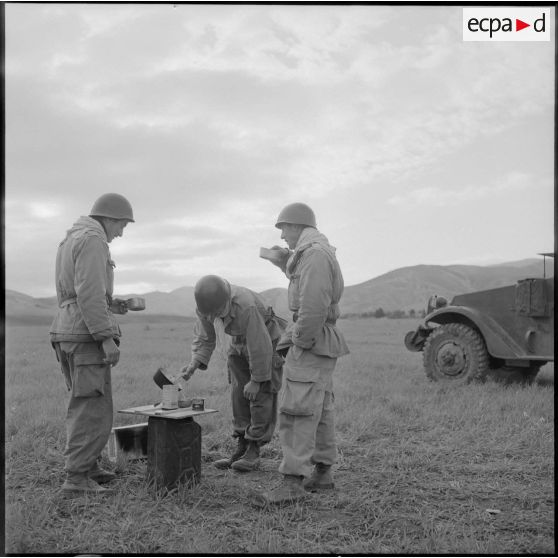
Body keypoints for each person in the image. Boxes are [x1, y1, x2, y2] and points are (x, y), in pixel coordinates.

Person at [257, 202, 349, 505]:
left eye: (283, 228)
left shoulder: (314, 257)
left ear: (296, 226)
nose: (282, 235)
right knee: (320, 407)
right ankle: (322, 473)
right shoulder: (313, 255)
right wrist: (284, 263)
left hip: (312, 339)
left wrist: (300, 341)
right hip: (321, 339)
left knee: (296, 408)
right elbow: (308, 290)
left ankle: (291, 483)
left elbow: (312, 307)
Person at [50, 193, 134, 496]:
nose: (121, 232)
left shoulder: (71, 238)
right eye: (122, 225)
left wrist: (112, 304)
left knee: (89, 402)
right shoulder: (94, 240)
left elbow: (76, 293)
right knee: (90, 407)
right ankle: (76, 479)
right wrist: (106, 337)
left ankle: (89, 466)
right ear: (109, 218)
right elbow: (87, 295)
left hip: (68, 329)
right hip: (86, 337)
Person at [180, 275, 286, 472]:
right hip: (236, 345)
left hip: (266, 344)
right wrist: (194, 362)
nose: (214, 316)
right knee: (238, 394)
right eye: (210, 313)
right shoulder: (205, 308)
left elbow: (259, 346)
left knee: (260, 394)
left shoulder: (246, 306)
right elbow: (205, 336)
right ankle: (242, 446)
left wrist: (256, 380)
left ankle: (254, 450)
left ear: (227, 300)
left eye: (218, 312)